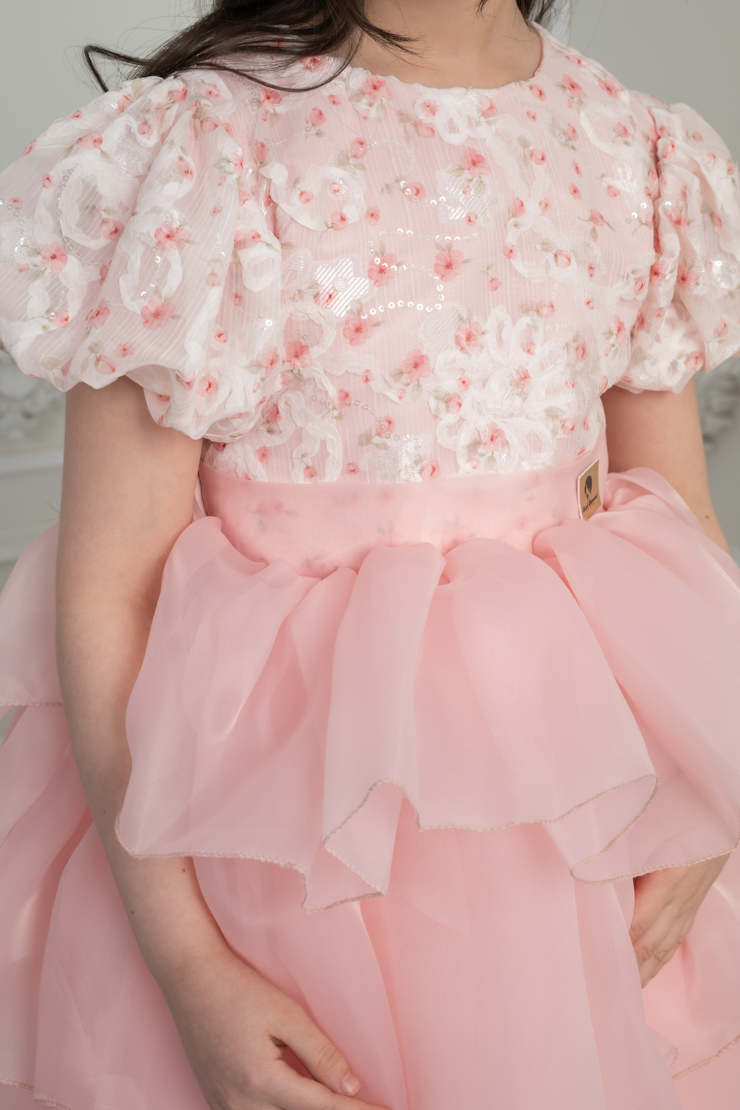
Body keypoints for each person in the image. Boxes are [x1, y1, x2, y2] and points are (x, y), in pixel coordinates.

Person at [1, 0, 740, 1106]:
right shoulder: (205, 150)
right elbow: (116, 592)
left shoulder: (627, 147)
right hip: (277, 856)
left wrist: (711, 799)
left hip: (578, 840)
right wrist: (190, 966)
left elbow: (677, 531)